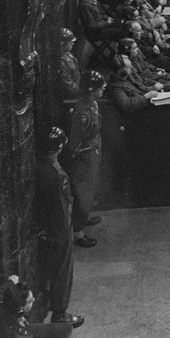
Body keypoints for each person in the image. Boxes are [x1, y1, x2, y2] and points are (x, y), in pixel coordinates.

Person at [35, 127, 83, 327]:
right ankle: (60, 313)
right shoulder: (58, 175)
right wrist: (66, 234)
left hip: (44, 229)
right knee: (62, 273)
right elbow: (64, 208)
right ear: (58, 148)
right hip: (60, 231)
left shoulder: (38, 169)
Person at [65, 71, 106, 249]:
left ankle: (84, 217)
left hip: (92, 152)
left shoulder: (92, 104)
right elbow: (76, 140)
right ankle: (78, 232)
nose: (103, 89)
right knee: (82, 193)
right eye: (99, 87)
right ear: (90, 90)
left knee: (89, 190)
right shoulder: (83, 111)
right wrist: (83, 156)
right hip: (85, 157)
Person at [60, 28, 81, 98]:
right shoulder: (61, 62)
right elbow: (68, 86)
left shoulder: (68, 55)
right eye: (70, 42)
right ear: (62, 43)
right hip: (72, 92)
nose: (73, 43)